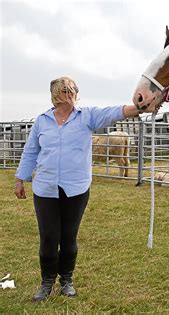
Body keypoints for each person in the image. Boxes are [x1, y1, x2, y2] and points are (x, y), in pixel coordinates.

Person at [14, 76, 156, 302]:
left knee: (69, 237)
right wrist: (20, 178)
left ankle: (66, 281)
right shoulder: (42, 121)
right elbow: (31, 151)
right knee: (49, 237)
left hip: (76, 188)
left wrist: (140, 106)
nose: (69, 97)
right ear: (55, 95)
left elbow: (114, 112)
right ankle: (47, 282)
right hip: (45, 188)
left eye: (72, 92)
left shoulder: (86, 116)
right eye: (65, 93)